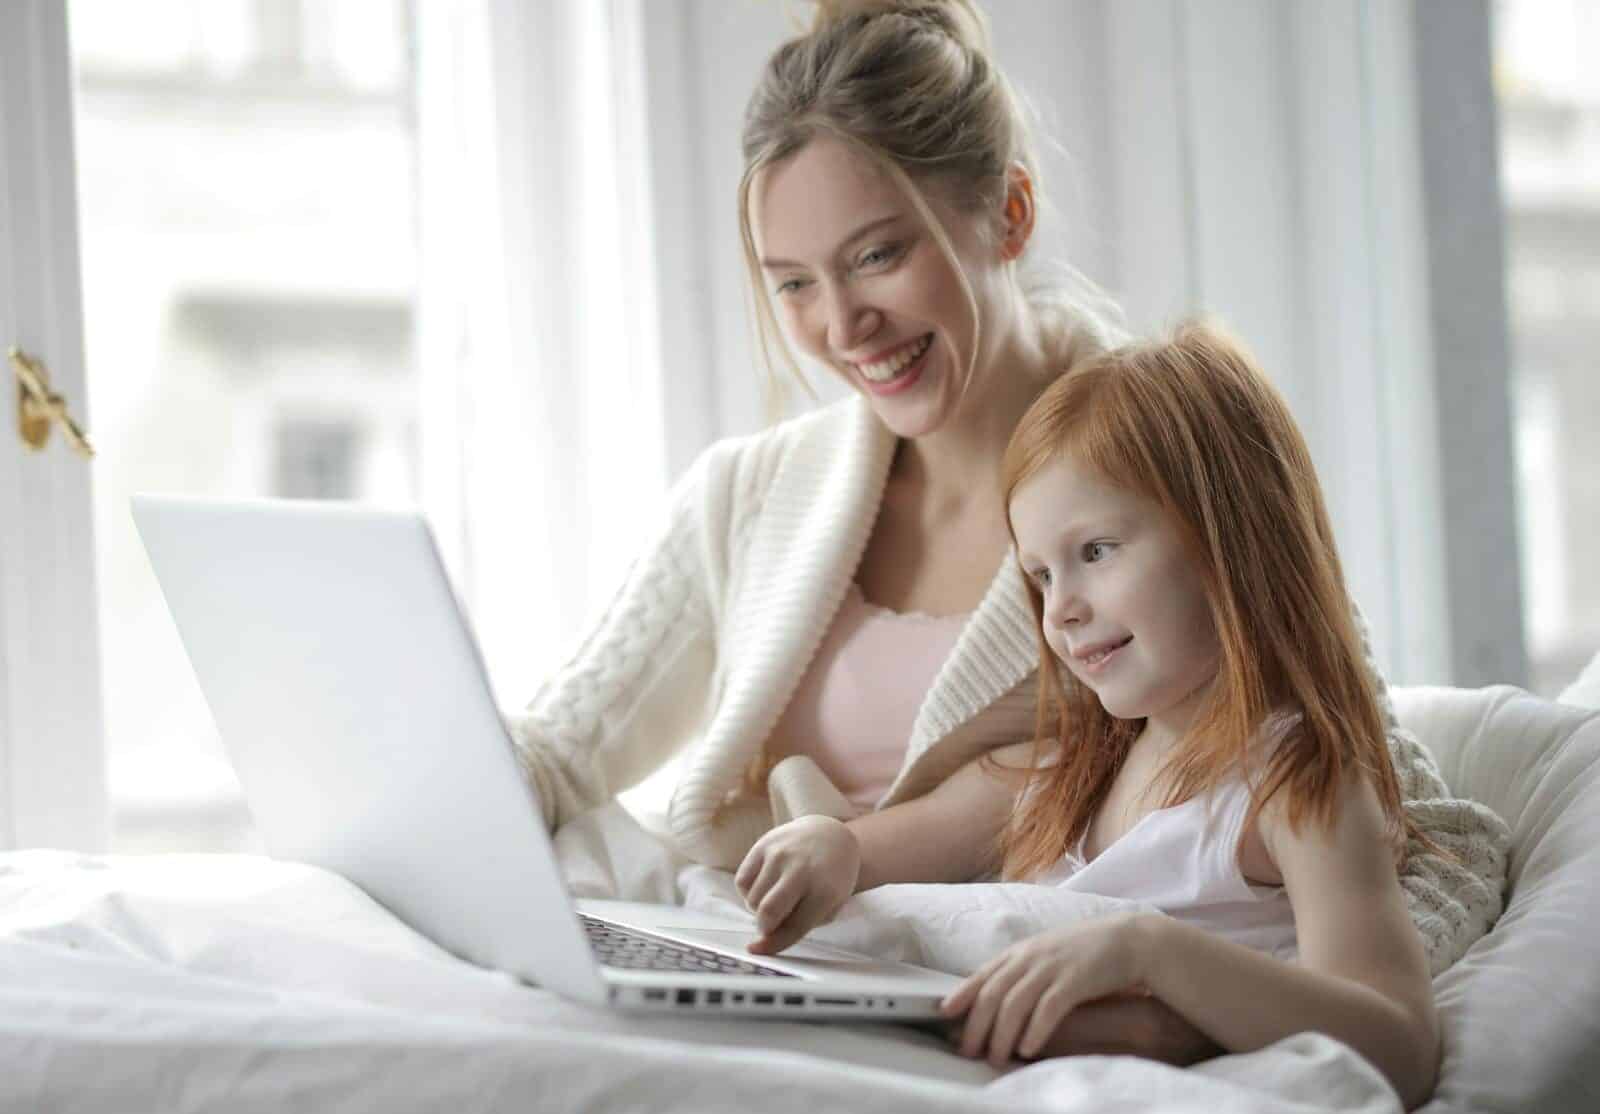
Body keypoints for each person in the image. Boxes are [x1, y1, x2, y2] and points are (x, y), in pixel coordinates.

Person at [507, 0, 1506, 1065]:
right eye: (794, 284)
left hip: (986, 1006)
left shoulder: (1166, 462)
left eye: (878, 255)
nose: (842, 328)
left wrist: (1188, 1011)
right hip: (772, 950)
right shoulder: (751, 495)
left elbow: (1410, 829)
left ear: (1010, 215)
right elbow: (556, 751)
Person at [734, 322, 1442, 1107]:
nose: (1060, 611)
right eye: (1040, 577)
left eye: (1097, 552)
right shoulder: (1066, 768)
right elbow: (880, 848)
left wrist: (1151, 953)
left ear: (1231, 536)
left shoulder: (1295, 782)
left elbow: (1398, 1041)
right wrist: (828, 845)